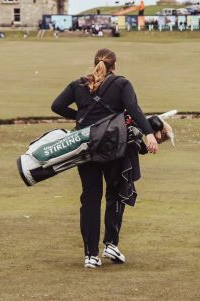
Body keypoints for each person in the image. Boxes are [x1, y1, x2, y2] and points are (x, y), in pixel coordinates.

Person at [50, 48, 162, 269]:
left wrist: (81, 117)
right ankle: (111, 243)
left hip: (86, 147)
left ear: (95, 64)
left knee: (90, 199)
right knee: (115, 194)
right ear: (115, 66)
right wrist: (149, 133)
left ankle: (91, 255)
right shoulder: (122, 84)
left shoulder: (78, 84)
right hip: (114, 148)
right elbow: (134, 110)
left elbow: (57, 106)